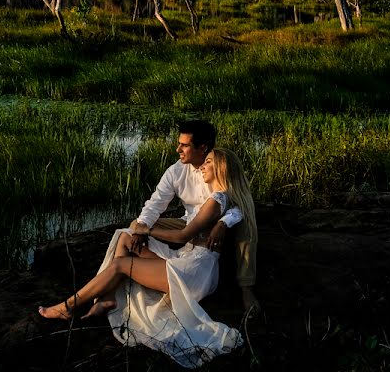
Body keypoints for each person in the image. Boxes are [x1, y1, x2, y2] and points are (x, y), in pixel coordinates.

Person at [38, 147, 255, 368]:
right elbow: (237, 210)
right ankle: (108, 298)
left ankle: (68, 306)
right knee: (124, 237)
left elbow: (183, 235)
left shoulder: (217, 199)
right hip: (185, 259)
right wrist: (223, 223)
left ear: (221, 168)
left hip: (194, 272)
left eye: (208, 162)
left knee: (121, 264)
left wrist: (147, 231)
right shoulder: (224, 199)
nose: (202, 167)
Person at [131, 120, 259, 314]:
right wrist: (142, 227)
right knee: (136, 224)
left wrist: (224, 223)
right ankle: (160, 268)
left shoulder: (219, 163)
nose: (177, 149)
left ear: (202, 147)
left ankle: (246, 287)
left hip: (217, 226)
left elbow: (242, 203)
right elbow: (155, 203)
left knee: (247, 225)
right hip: (189, 224)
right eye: (179, 143)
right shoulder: (175, 171)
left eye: (184, 145)